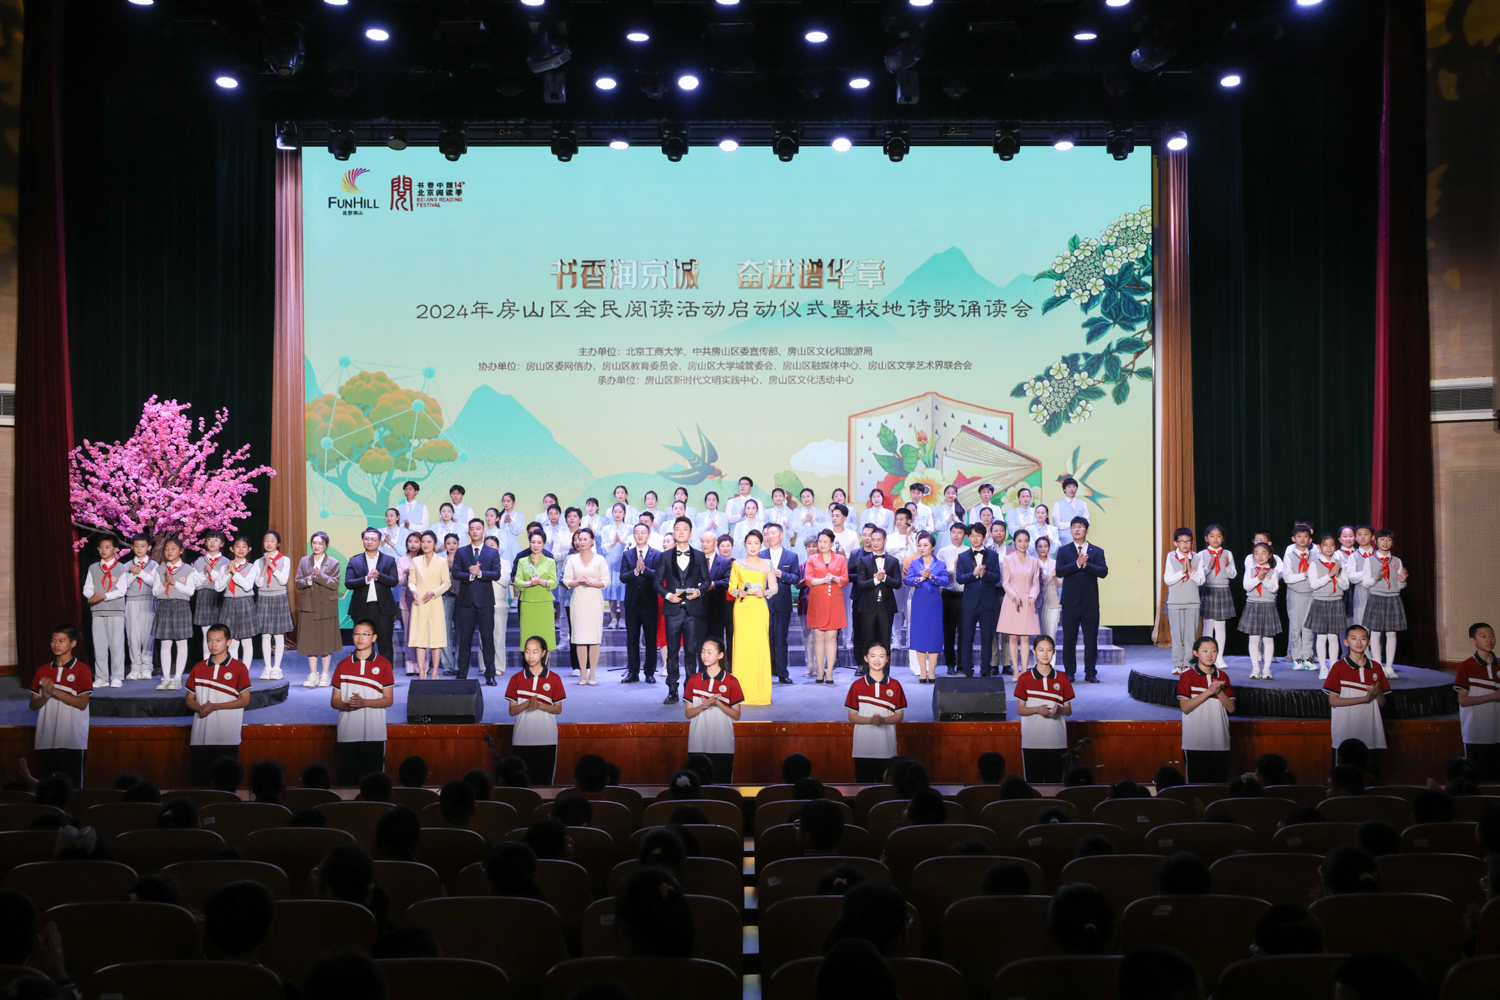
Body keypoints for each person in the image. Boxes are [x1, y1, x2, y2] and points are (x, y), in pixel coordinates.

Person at [185, 624, 252, 786]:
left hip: (227, 737)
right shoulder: (198, 668)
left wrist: (216, 706)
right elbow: (189, 699)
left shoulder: (239, 668)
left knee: (227, 786)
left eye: (218, 640)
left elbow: (245, 699)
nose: (213, 644)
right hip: (200, 737)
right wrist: (199, 708)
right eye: (210, 640)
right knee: (200, 785)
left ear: (228, 642)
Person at [331, 619, 396, 784]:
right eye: (356, 634)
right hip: (347, 733)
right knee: (348, 782)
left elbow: (388, 700)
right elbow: (334, 701)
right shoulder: (342, 665)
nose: (360, 638)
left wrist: (364, 702)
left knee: (374, 783)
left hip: (374, 733)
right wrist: (348, 705)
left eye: (365, 634)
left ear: (374, 638)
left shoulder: (384, 664)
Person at [658, 516, 711, 706]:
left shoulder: (699, 556)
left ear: (690, 533)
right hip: (672, 610)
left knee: (691, 651)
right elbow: (657, 582)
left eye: (685, 529)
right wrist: (667, 595)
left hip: (693, 611)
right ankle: (672, 690)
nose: (681, 532)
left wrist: (699, 591)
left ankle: (691, 690)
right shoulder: (664, 556)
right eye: (678, 529)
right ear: (674, 532)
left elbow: (707, 580)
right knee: (672, 652)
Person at [29, 626, 91, 787]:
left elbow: (82, 703)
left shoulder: (82, 670)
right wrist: (45, 697)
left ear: (73, 643)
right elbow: (33, 705)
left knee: (72, 788)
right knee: (46, 787)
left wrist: (54, 691)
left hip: (72, 740)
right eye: (53, 640)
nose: (56, 645)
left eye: (61, 641)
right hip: (46, 738)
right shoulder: (43, 670)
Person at [1324, 625, 1389, 779]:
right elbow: (1333, 700)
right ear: (1346, 642)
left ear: (1368, 642)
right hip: (1345, 731)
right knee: (1343, 778)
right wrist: (1363, 699)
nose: (1359, 642)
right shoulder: (1338, 667)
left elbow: (1382, 703)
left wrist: (1378, 693)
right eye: (1354, 638)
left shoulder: (1376, 667)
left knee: (1370, 777)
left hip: (1370, 731)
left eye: (1363, 639)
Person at [1014, 635, 1074, 783]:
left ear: (1053, 652)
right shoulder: (1025, 678)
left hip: (1057, 741)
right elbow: (1020, 709)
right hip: (1032, 741)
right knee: (1033, 787)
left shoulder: (1062, 678)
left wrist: (1059, 709)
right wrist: (1036, 709)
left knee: (1055, 785)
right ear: (1034, 651)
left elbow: (1068, 710)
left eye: (1049, 650)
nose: (1045, 654)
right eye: (1041, 650)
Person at [506, 636, 565, 783]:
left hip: (547, 739)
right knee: (522, 785)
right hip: (522, 739)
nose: (530, 656)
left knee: (544, 785)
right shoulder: (516, 679)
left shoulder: (554, 678)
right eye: (527, 651)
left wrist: (539, 705)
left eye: (535, 651)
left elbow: (558, 709)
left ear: (543, 653)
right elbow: (512, 711)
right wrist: (527, 704)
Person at [1056, 517, 1108, 683]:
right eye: (1074, 527)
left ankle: (1090, 672)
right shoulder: (1064, 551)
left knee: (1090, 639)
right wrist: (1077, 564)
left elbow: (1103, 572)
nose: (1077, 530)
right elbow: (1059, 571)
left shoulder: (1097, 551)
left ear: (1087, 530)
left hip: (1090, 603)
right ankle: (1069, 672)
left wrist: (1087, 566)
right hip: (1070, 603)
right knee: (1069, 639)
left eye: (1080, 526)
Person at [1176, 635, 1234, 783]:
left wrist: (1218, 691)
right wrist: (1209, 692)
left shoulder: (1223, 676)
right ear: (1196, 653)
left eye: (1214, 651)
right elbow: (1185, 707)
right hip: (1194, 742)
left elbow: (1231, 708)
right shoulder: (1187, 676)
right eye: (1205, 651)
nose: (1210, 655)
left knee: (1219, 786)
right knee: (1196, 787)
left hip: (1219, 741)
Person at [684, 638, 743, 783]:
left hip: (723, 745)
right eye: (703, 652)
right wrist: (702, 706)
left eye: (710, 652)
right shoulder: (694, 680)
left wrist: (717, 703)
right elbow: (688, 713)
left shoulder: (731, 682)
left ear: (720, 655)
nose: (705, 656)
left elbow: (736, 715)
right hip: (698, 743)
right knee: (697, 787)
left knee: (722, 788)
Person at [730, 528, 777, 705]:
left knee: (759, 647)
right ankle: (741, 691)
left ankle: (760, 692)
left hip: (759, 607)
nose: (752, 546)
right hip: (742, 608)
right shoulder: (737, 564)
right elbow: (731, 587)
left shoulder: (767, 564)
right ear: (744, 545)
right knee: (742, 647)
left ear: (761, 545)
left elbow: (774, 587)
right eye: (749, 543)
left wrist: (764, 592)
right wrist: (738, 592)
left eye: (756, 543)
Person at [453, 519, 503, 685]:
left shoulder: (492, 552)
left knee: (488, 639)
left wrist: (480, 573)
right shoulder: (461, 552)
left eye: (478, 528)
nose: (475, 531)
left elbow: (496, 574)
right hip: (465, 602)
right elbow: (455, 573)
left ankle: (490, 674)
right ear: (468, 532)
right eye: (472, 529)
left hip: (485, 603)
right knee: (464, 640)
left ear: (483, 531)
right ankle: (462, 674)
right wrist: (470, 575)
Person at [846, 644, 905, 783]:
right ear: (866, 659)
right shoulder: (857, 685)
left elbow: (899, 715)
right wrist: (871, 720)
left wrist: (883, 720)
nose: (877, 660)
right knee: (862, 789)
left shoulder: (895, 685)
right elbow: (852, 716)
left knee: (885, 791)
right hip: (862, 749)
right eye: (873, 656)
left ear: (887, 659)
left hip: (887, 749)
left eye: (881, 656)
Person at [294, 531, 343, 689]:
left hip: (327, 607)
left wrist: (319, 575)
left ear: (326, 545)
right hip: (309, 605)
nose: (317, 546)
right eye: (314, 543)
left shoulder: (333, 562)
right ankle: (313, 673)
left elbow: (334, 584)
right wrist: (308, 579)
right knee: (311, 641)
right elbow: (298, 583)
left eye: (320, 543)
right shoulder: (304, 561)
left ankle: (325, 674)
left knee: (325, 642)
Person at [148, 538, 197, 691]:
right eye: (167, 549)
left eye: (173, 548)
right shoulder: (160, 569)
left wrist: (174, 583)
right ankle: (166, 678)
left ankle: (177, 678)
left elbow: (191, 591)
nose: (169, 551)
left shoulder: (188, 569)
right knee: (165, 643)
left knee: (181, 643)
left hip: (181, 605)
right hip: (164, 605)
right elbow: (155, 591)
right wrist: (165, 584)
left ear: (181, 551)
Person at [345, 527, 400, 663]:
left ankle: (386, 673)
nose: (370, 542)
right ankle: (362, 672)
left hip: (383, 610)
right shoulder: (354, 560)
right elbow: (348, 583)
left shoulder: (389, 560)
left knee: (385, 643)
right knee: (362, 643)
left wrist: (379, 576)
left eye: (373, 539)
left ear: (380, 542)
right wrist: (366, 579)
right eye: (367, 539)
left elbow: (394, 581)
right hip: (361, 609)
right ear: (363, 540)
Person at [1359, 528, 1408, 677]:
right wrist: (1376, 578)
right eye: (1382, 539)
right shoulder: (1370, 560)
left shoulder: (1397, 561)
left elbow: (1400, 585)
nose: (1385, 543)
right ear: (1376, 541)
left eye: (1388, 540)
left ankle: (1389, 667)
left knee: (1391, 633)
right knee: (1375, 633)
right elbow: (1365, 582)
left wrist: (1402, 582)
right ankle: (1378, 665)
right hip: (1376, 597)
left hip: (1393, 598)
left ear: (1392, 543)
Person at [82, 536, 129, 689]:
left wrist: (103, 596)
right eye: (101, 547)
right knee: (99, 645)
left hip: (115, 610)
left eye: (107, 547)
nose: (103, 550)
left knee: (116, 645)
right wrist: (92, 596)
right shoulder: (93, 568)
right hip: (97, 611)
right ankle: (101, 677)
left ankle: (117, 676)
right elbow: (87, 588)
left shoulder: (121, 568)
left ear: (115, 550)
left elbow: (121, 590)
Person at [803, 529, 849, 685]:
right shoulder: (812, 559)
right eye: (820, 542)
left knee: (831, 637)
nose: (822, 544)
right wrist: (824, 580)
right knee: (818, 638)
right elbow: (808, 579)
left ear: (832, 543)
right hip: (817, 602)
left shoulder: (840, 559)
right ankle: (820, 670)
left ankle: (829, 671)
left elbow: (845, 578)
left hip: (835, 602)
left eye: (825, 542)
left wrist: (834, 578)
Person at [563, 527, 608, 686]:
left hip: (594, 600)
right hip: (578, 599)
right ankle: (583, 674)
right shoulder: (572, 559)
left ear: (592, 541)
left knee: (594, 637)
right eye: (579, 539)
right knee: (579, 638)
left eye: (584, 539)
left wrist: (591, 583)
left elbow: (606, 582)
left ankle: (592, 674)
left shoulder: (600, 560)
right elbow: (566, 580)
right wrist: (579, 582)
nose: (581, 542)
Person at [403, 531, 450, 681]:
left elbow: (446, 583)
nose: (425, 544)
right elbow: (411, 581)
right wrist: (414, 591)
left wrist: (435, 592)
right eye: (423, 541)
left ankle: (434, 672)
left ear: (435, 544)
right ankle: (422, 672)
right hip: (419, 602)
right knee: (420, 638)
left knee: (436, 639)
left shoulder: (442, 561)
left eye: (429, 542)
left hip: (435, 602)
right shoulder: (416, 561)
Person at [956, 523, 1002, 677]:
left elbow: (997, 578)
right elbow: (960, 578)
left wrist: (984, 573)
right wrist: (974, 574)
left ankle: (986, 669)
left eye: (978, 535)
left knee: (987, 638)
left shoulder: (993, 555)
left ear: (984, 536)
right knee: (966, 637)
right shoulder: (962, 556)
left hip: (988, 602)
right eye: (972, 535)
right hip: (969, 603)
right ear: (968, 538)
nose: (975, 538)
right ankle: (967, 669)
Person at [903, 532, 949, 684]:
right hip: (919, 603)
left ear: (933, 547)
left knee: (934, 637)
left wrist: (931, 577)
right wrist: (920, 579)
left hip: (934, 603)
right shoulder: (914, 563)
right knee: (920, 636)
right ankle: (923, 672)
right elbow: (908, 580)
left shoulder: (940, 564)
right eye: (920, 545)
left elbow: (945, 581)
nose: (922, 548)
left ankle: (932, 672)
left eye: (925, 545)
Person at [1455, 622, 1500, 779]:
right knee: (1478, 778)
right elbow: (1463, 700)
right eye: (1483, 636)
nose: (1489, 639)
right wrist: (1493, 696)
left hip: (1498, 733)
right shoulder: (1466, 666)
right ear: (1473, 641)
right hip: (1476, 734)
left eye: (1492, 635)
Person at [618, 523, 661, 684]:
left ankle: (650, 672)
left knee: (650, 639)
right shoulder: (627, 555)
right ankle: (633, 672)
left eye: (643, 532)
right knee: (632, 639)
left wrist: (645, 571)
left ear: (649, 534)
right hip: (632, 603)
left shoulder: (657, 554)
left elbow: (659, 576)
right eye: (637, 532)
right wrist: (635, 572)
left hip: (650, 602)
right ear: (633, 535)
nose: (640, 535)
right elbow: (623, 577)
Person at [853, 528, 902, 665]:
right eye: (873, 539)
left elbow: (898, 583)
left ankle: (884, 673)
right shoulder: (863, 561)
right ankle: (868, 672)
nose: (875, 542)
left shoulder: (893, 561)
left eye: (879, 539)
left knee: (885, 640)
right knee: (867, 641)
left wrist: (884, 578)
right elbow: (860, 584)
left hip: (886, 606)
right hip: (868, 606)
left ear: (885, 540)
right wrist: (876, 580)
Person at [1306, 534, 1351, 679]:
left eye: (1332, 545)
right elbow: (1313, 585)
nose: (1329, 548)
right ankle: (1323, 668)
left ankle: (1333, 667)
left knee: (1333, 637)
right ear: (1319, 547)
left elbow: (1345, 585)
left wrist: (1337, 576)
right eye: (1325, 545)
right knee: (1321, 636)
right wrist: (1329, 575)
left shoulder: (1340, 564)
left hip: (1336, 601)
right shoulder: (1315, 564)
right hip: (1320, 601)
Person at [999, 529, 1041, 674]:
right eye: (1020, 541)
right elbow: (1005, 582)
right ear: (1014, 542)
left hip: (1028, 601)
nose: (1023, 544)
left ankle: (1024, 671)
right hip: (1013, 601)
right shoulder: (1008, 559)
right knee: (1013, 636)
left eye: (1026, 541)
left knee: (1026, 637)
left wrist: (1033, 596)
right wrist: (1014, 596)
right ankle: (1016, 671)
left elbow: (1036, 583)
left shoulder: (1034, 561)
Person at [1163, 528, 1205, 675]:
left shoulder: (1197, 557)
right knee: (1176, 635)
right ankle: (1177, 664)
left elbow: (1201, 580)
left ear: (1192, 542)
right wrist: (1182, 572)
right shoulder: (1171, 557)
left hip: (1193, 601)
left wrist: (1191, 572)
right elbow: (1168, 580)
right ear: (1176, 543)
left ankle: (1187, 663)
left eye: (1188, 541)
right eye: (1181, 541)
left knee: (1190, 635)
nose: (1185, 544)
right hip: (1175, 602)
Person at [763, 523, 800, 685]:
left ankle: (782, 673)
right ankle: (765, 672)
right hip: (763, 602)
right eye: (768, 534)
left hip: (782, 604)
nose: (770, 536)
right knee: (765, 639)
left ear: (781, 535)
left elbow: (796, 578)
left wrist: (782, 574)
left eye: (773, 533)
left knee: (781, 639)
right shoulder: (760, 555)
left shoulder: (791, 556)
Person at [252, 531, 292, 682]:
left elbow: (283, 580)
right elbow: (258, 583)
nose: (269, 543)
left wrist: (272, 566)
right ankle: (267, 667)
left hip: (278, 597)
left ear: (278, 543)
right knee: (265, 634)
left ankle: (277, 668)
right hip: (263, 598)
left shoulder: (285, 560)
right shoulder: (258, 562)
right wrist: (265, 566)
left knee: (278, 634)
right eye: (266, 540)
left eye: (272, 541)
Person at [1195, 525, 1237, 668]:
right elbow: (1199, 575)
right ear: (1206, 538)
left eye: (1218, 536)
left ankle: (1219, 658)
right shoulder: (1201, 554)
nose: (1215, 539)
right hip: (1208, 590)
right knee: (1207, 626)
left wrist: (1227, 566)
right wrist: (1209, 567)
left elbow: (1233, 574)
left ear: (1223, 538)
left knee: (1220, 626)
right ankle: (1206, 657)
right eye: (1212, 536)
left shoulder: (1227, 553)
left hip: (1222, 590)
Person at [1241, 542, 1284, 680]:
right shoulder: (1250, 571)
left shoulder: (1274, 572)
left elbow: (1274, 588)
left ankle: (1266, 669)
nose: (1259, 556)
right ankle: (1255, 668)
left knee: (1268, 639)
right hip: (1253, 605)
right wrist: (1257, 578)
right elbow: (1246, 586)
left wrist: (1264, 578)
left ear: (1270, 555)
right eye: (1256, 553)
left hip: (1268, 605)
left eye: (1263, 553)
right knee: (1253, 639)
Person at [119, 535, 159, 682]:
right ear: (132, 547)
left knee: (148, 636)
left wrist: (140, 573)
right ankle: (135, 668)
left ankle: (147, 667)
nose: (139, 549)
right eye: (136, 546)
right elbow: (122, 586)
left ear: (149, 547)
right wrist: (132, 574)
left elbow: (155, 583)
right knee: (133, 636)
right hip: (131, 601)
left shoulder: (154, 565)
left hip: (148, 600)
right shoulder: (126, 565)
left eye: (143, 546)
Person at [514, 530, 559, 653]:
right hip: (527, 603)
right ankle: (529, 665)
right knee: (528, 638)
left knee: (546, 639)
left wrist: (541, 582)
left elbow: (554, 582)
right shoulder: (523, 561)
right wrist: (530, 583)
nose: (536, 545)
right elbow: (517, 581)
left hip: (545, 604)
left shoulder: (550, 561)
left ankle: (544, 665)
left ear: (543, 544)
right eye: (533, 542)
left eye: (539, 542)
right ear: (529, 543)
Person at [1281, 524, 1318, 671]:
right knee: (1296, 628)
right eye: (1299, 536)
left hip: (1311, 594)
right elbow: (1287, 578)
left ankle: (1308, 658)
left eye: (1305, 536)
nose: (1302, 539)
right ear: (1293, 538)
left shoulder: (1315, 556)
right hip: (1295, 594)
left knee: (1308, 628)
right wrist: (1305, 574)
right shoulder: (1289, 556)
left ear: (1310, 539)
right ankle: (1297, 659)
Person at [191, 531, 230, 655]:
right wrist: (204, 573)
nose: (213, 542)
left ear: (222, 543)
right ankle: (207, 662)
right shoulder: (199, 562)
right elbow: (195, 584)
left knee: (221, 633)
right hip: (204, 596)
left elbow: (225, 581)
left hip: (220, 597)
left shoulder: (226, 562)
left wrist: (211, 572)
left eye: (216, 540)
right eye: (210, 539)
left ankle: (221, 661)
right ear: (205, 542)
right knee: (207, 634)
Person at [395, 531, 424, 677]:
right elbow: (399, 581)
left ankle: (422, 665)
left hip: (423, 599)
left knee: (422, 634)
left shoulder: (426, 559)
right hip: (407, 599)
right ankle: (410, 665)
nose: (412, 544)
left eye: (416, 541)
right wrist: (407, 575)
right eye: (410, 541)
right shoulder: (402, 560)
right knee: (409, 634)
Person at [601, 503, 631, 630]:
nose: (617, 514)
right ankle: (613, 619)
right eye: (615, 511)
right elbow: (603, 546)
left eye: (620, 512)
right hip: (611, 561)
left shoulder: (630, 528)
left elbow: (632, 544)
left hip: (624, 562)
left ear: (624, 514)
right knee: (611, 590)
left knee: (623, 591)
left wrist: (622, 542)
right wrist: (613, 543)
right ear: (612, 513)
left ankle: (623, 619)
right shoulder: (606, 529)